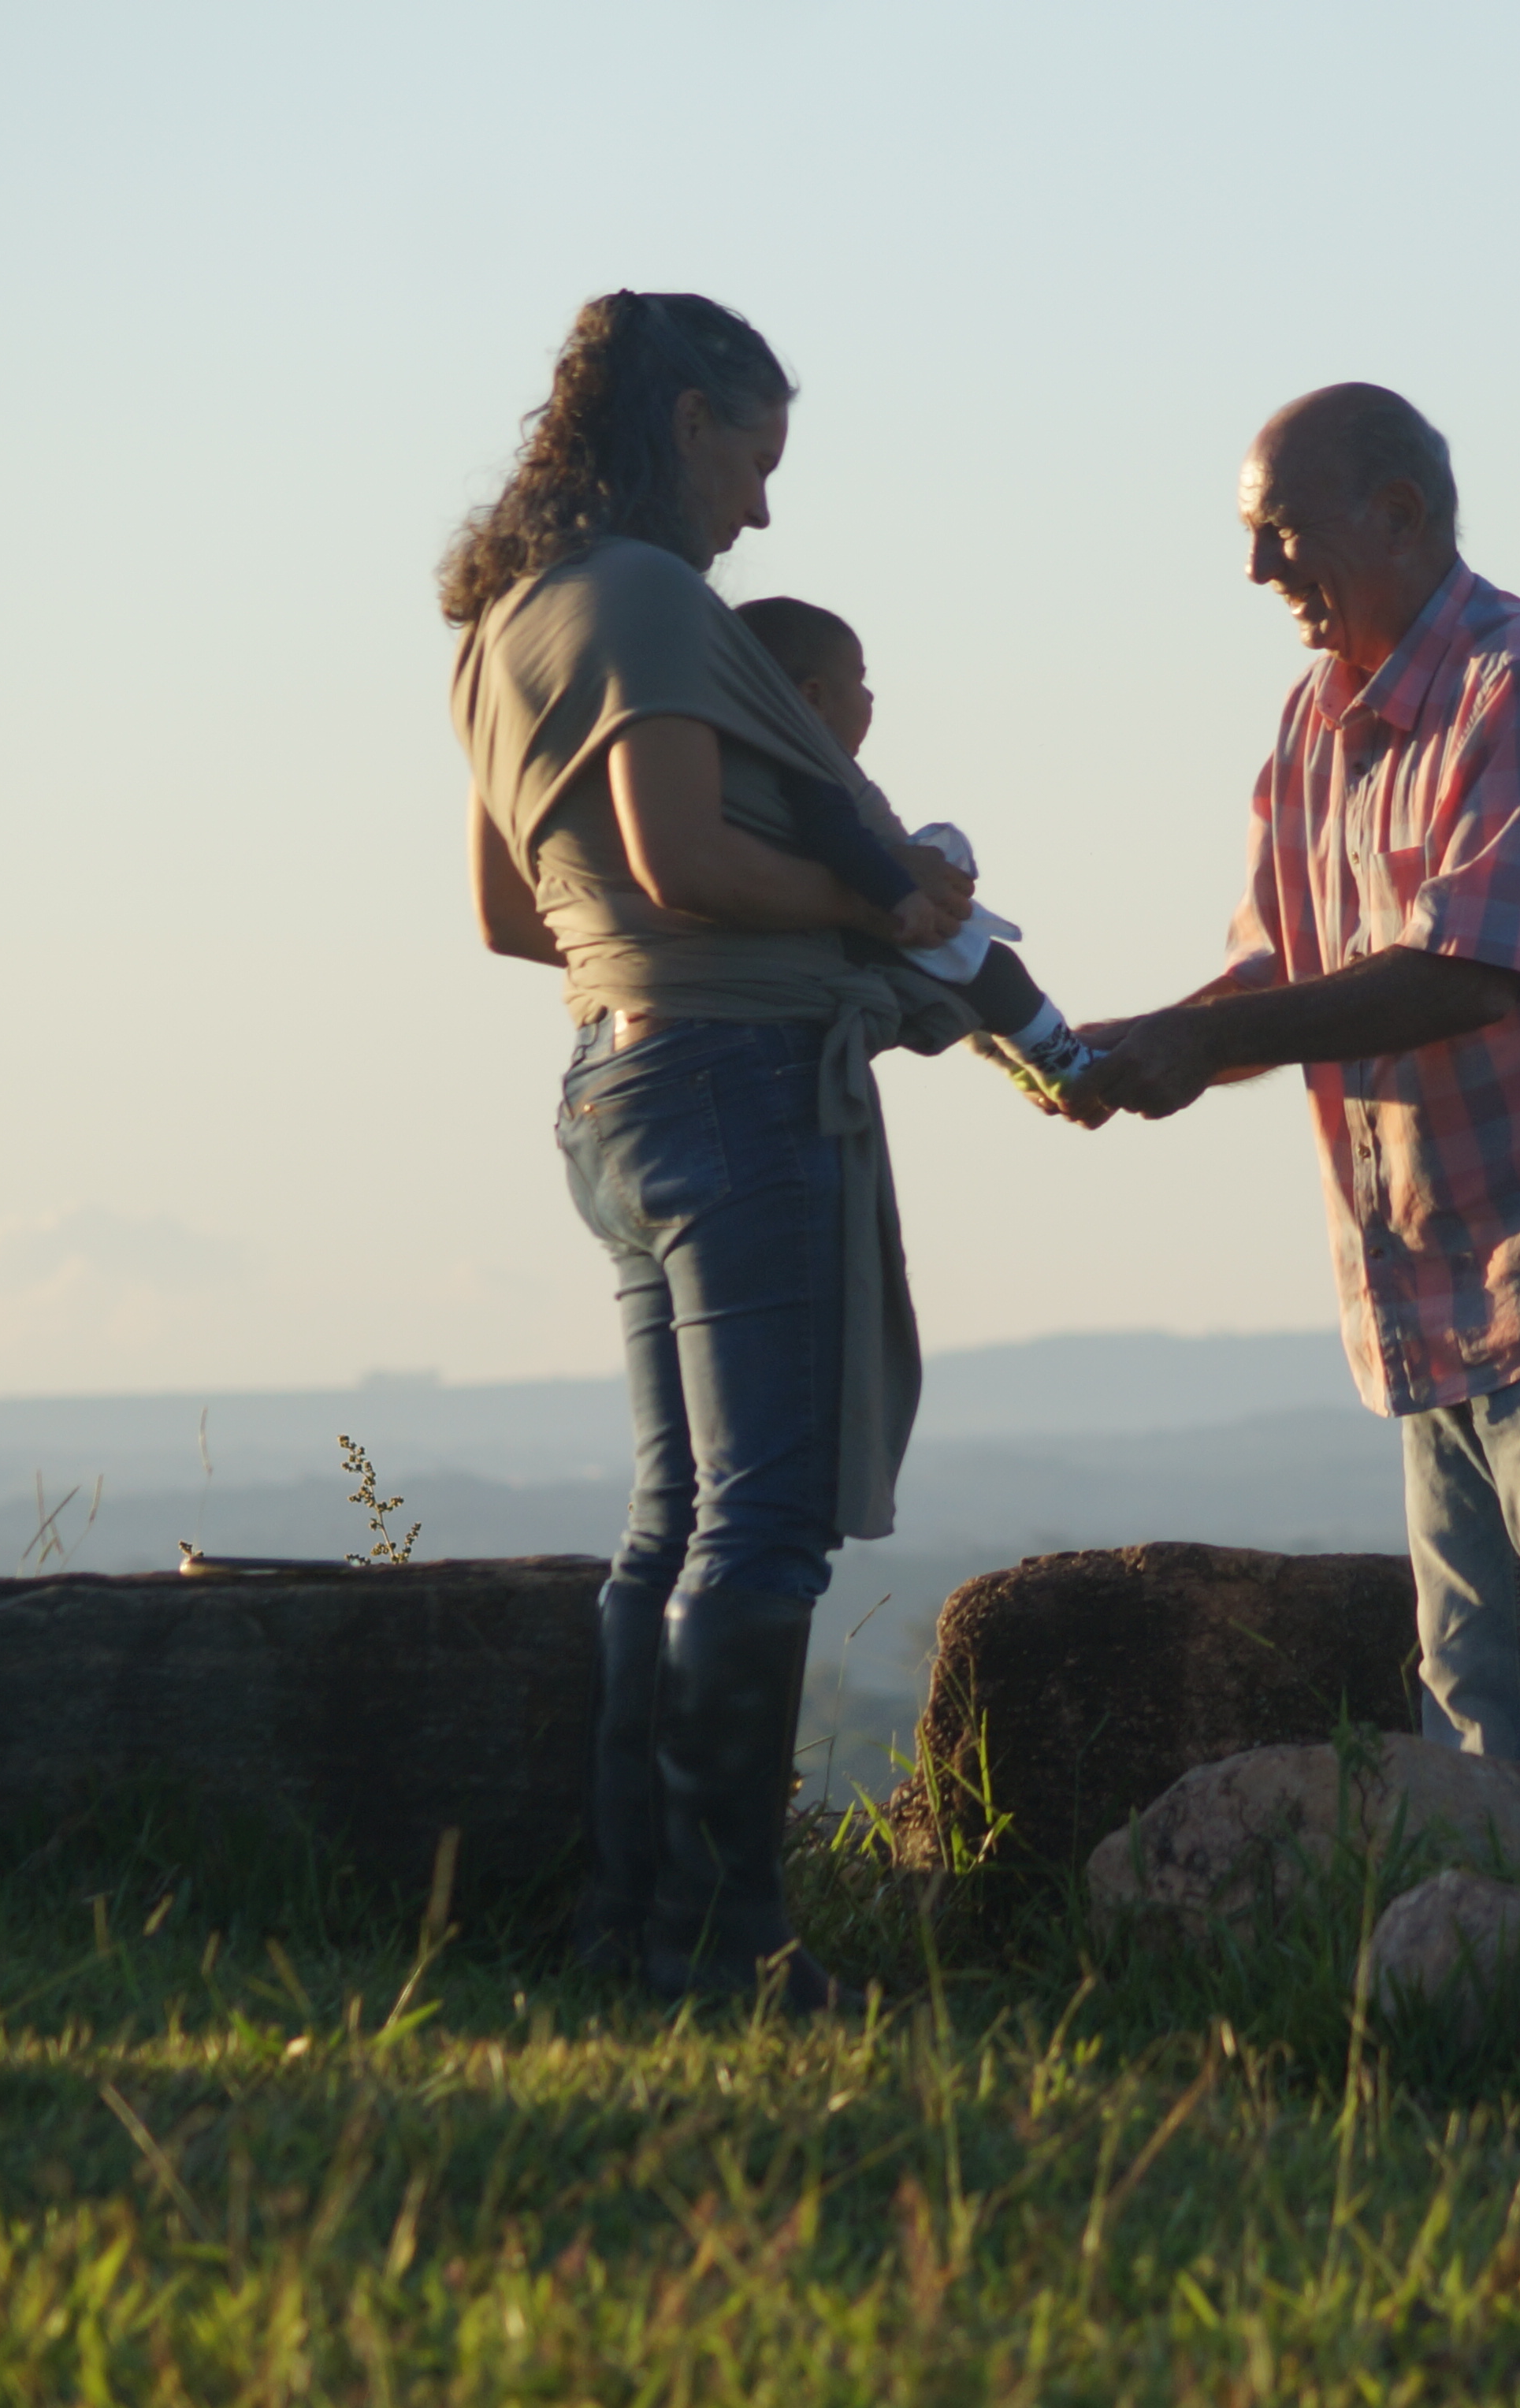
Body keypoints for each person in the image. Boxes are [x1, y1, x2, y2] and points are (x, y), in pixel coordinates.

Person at [1069, 383, 1520, 1904]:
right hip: (1436, 1283)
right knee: (1475, 1704)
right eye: (1252, 538)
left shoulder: (1516, 685)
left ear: (1399, 514)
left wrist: (1207, 1043)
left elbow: (1475, 966)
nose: (1262, 573)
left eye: (1283, 532)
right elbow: (1275, 968)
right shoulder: (1315, 722)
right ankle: (1514, 2021)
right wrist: (1141, 1044)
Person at [442, 289, 987, 2011]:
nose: (762, 507)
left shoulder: (500, 623)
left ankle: (627, 1927)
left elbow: (509, 916)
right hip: (742, 1080)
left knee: (668, 1523)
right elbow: (683, 862)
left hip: (608, 1083)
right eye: (756, 456)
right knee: (758, 1531)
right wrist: (879, 902)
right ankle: (730, 1943)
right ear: (685, 423)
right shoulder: (650, 601)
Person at [729, 594, 1102, 1088]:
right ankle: (1072, 1070)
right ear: (814, 698)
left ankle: (1024, 1063)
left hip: (841, 940)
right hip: (869, 927)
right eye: (860, 681)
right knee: (998, 973)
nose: (871, 698)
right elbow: (838, 838)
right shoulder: (806, 764)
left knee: (968, 986)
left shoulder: (745, 765)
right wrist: (898, 891)